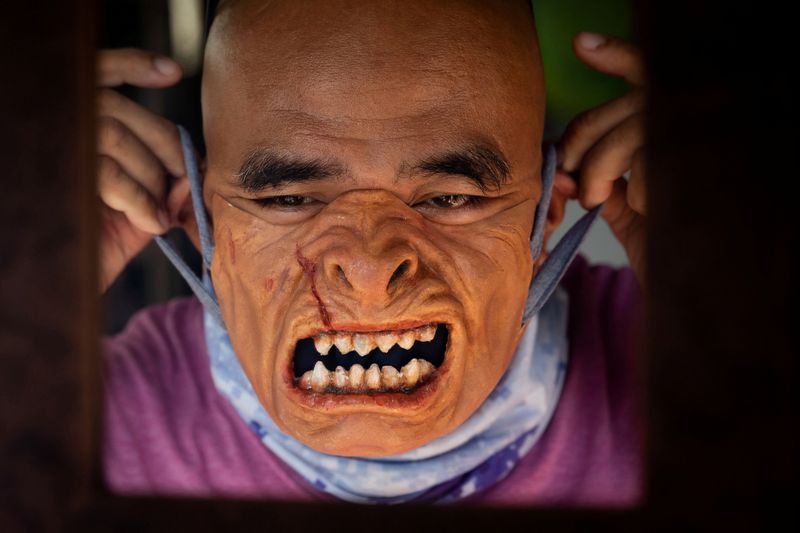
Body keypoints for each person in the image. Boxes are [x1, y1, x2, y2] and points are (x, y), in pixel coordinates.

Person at [99, 0, 646, 506]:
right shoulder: (89, 419)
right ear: (201, 222)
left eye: (451, 197)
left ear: (544, 217)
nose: (368, 270)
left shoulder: (687, 355)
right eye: (287, 198)